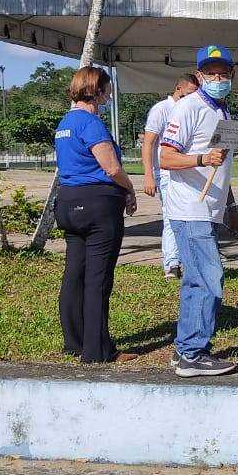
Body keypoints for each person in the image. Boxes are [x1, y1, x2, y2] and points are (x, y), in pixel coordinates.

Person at [160, 45, 238, 377]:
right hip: (190, 208)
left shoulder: (222, 112)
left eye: (223, 73)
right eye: (211, 73)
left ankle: (187, 349)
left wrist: (231, 206)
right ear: (199, 75)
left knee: (198, 279)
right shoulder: (188, 108)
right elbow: (164, 158)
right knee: (208, 279)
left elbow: (221, 167)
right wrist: (200, 159)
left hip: (209, 209)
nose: (218, 78)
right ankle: (192, 354)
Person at [53, 66, 138, 364]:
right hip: (97, 204)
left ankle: (74, 341)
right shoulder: (91, 124)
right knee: (98, 279)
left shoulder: (64, 124)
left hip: (67, 201)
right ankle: (98, 350)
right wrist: (130, 188)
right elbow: (111, 167)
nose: (110, 93)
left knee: (74, 275)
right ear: (97, 90)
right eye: (108, 88)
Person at [141, 73, 200, 280]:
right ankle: (171, 263)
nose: (194, 96)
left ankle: (186, 260)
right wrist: (148, 174)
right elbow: (148, 143)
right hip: (165, 172)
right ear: (179, 88)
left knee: (187, 215)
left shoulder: (192, 109)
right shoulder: (162, 109)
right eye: (191, 92)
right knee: (170, 216)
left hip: (185, 169)